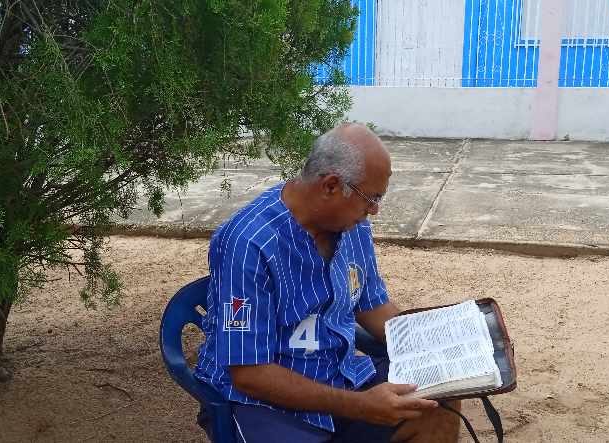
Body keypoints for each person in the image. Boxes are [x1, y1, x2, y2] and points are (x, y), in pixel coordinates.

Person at [194, 123, 461, 442]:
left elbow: (373, 306)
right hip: (259, 401)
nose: (373, 210)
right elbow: (250, 374)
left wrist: (447, 346)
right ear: (332, 186)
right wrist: (361, 406)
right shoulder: (249, 242)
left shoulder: (351, 225)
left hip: (338, 375)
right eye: (371, 198)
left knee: (438, 400)